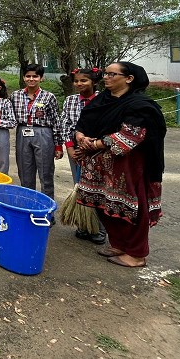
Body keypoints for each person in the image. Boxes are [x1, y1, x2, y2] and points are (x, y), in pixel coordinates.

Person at [74, 62, 166, 268]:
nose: (106, 77)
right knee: (104, 203)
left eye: (111, 74)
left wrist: (94, 144)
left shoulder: (140, 105)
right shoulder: (101, 100)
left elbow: (130, 136)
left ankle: (136, 254)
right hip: (99, 165)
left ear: (129, 78)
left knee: (132, 206)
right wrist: (80, 136)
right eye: (105, 74)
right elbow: (83, 122)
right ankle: (118, 244)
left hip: (128, 165)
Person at [60, 67, 105, 244]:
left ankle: (99, 229)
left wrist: (91, 146)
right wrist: (70, 148)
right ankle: (84, 225)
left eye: (84, 81)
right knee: (79, 186)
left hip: (97, 151)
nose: (79, 84)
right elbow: (65, 124)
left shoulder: (103, 100)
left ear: (94, 82)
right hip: (76, 152)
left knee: (97, 189)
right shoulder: (70, 100)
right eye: (76, 81)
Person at [10, 64, 64, 206]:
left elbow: (55, 121)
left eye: (35, 76)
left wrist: (58, 145)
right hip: (23, 132)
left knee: (45, 173)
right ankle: (28, 207)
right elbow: (8, 116)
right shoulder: (15, 95)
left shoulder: (49, 97)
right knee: (25, 172)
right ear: (23, 77)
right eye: (28, 76)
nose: (31, 79)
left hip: (43, 133)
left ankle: (47, 209)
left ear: (41, 78)